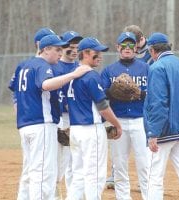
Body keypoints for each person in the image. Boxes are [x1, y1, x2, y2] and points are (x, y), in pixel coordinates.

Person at [9, 34, 91, 200]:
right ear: (45, 49)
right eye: (57, 49)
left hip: (26, 125)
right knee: (43, 173)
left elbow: (16, 93)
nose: (60, 53)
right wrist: (73, 75)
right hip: (42, 124)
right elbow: (46, 85)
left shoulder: (24, 65)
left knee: (31, 171)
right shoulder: (42, 65)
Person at [143, 32, 179, 200]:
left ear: (153, 50)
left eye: (150, 52)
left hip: (165, 131)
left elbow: (158, 103)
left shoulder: (157, 68)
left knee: (154, 177)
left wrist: (153, 133)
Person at [65, 37, 122, 200]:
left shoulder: (72, 76)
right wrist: (117, 124)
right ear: (85, 53)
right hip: (91, 130)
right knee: (95, 175)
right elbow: (103, 108)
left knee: (78, 175)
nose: (100, 56)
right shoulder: (91, 76)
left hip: (75, 130)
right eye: (96, 52)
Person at [101, 32, 149, 200]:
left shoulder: (146, 68)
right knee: (119, 165)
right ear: (118, 47)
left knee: (145, 164)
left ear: (136, 47)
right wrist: (113, 92)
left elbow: (154, 93)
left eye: (131, 45)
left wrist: (139, 93)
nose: (127, 48)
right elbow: (102, 95)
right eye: (124, 45)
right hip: (118, 121)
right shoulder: (109, 71)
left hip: (140, 121)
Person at [53, 30, 83, 200]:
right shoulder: (55, 67)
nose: (74, 50)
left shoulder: (80, 67)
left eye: (77, 47)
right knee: (58, 162)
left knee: (75, 162)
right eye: (70, 47)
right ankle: (54, 196)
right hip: (59, 119)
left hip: (76, 119)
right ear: (62, 47)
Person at [11, 27, 56, 111]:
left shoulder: (55, 63)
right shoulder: (24, 65)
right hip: (37, 113)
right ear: (38, 43)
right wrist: (16, 103)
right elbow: (15, 88)